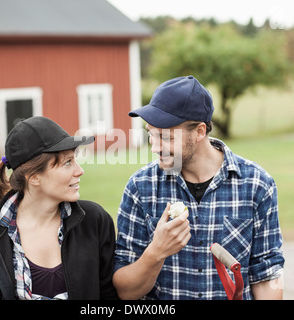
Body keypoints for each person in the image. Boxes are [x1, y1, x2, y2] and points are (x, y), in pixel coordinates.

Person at [113, 76, 284, 300]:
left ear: (200, 131)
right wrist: (157, 251)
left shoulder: (257, 185)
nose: (154, 146)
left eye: (165, 136)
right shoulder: (140, 187)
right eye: (150, 134)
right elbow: (125, 291)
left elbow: (268, 275)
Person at [0, 116, 118, 300]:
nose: (79, 170)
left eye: (75, 160)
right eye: (67, 163)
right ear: (33, 178)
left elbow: (108, 296)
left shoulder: (95, 222)